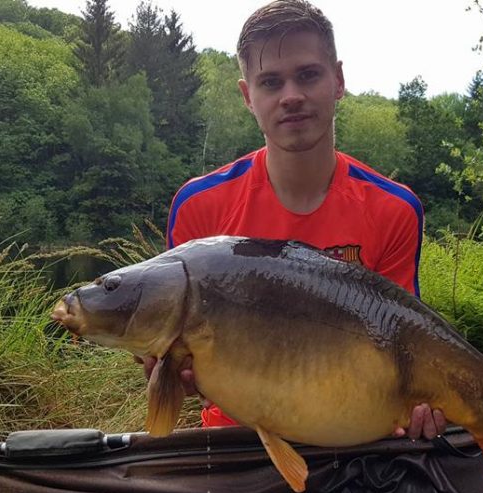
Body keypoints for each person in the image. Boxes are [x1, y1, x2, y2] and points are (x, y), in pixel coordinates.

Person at [141, 0, 446, 441]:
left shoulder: (393, 208)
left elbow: (406, 350)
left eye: (307, 75)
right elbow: (182, 377)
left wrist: (421, 407)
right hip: (236, 443)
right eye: (271, 82)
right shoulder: (199, 206)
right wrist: (171, 373)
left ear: (338, 80)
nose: (291, 96)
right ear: (248, 96)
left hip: (355, 438)